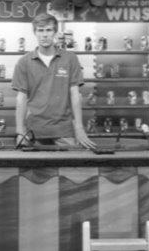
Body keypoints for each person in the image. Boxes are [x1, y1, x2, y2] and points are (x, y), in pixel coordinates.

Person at [10, 13, 96, 149]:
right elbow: (21, 98)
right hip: (34, 131)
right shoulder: (24, 62)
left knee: (72, 162)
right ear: (35, 32)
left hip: (64, 130)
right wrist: (20, 131)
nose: (44, 35)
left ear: (55, 32)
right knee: (34, 164)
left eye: (49, 30)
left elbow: (75, 95)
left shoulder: (70, 58)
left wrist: (79, 128)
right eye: (40, 30)